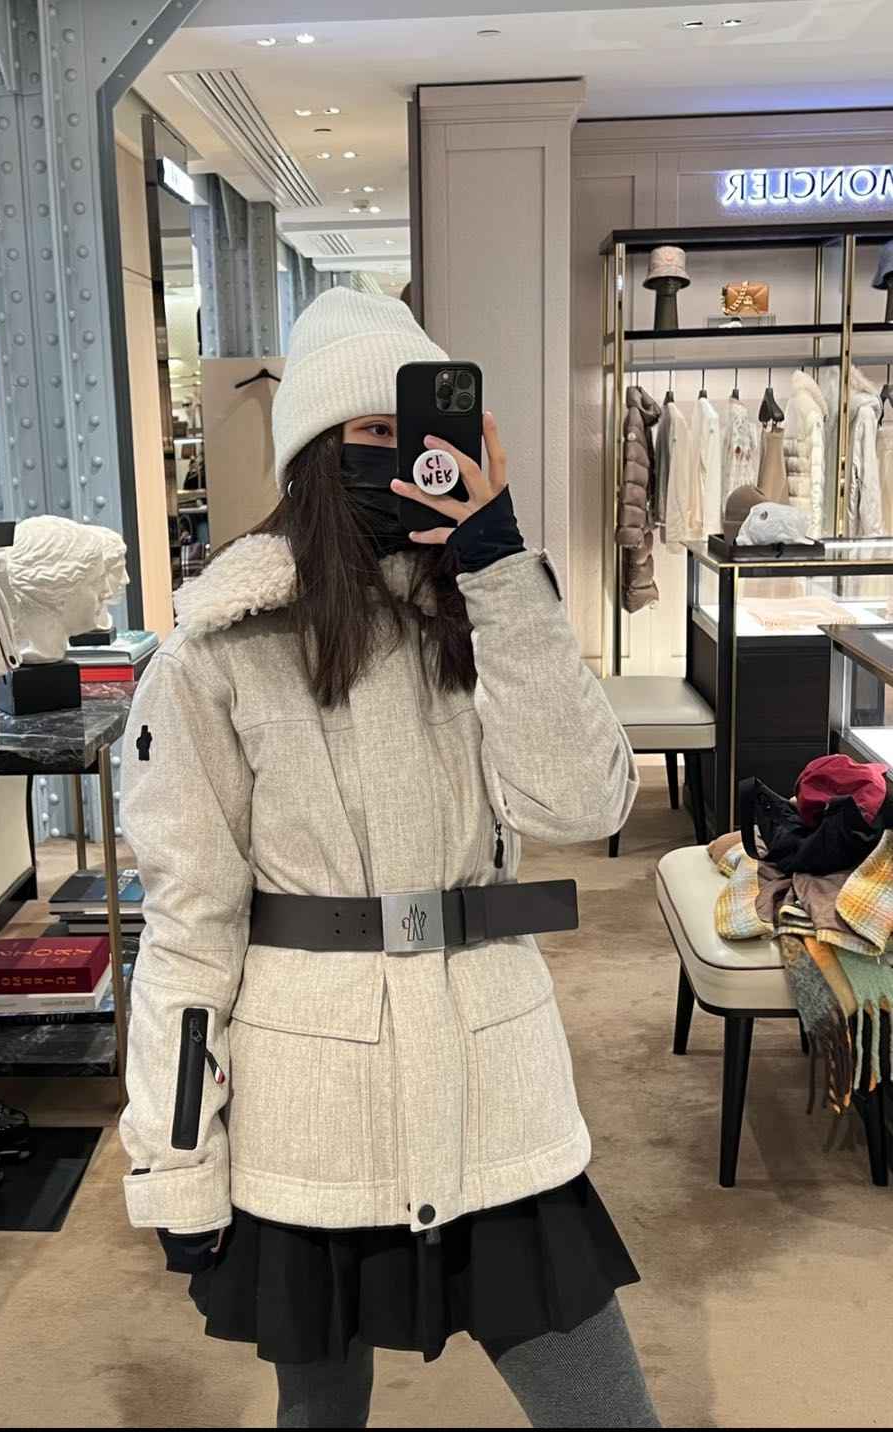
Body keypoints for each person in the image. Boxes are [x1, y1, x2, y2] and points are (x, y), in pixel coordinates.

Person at [119, 288, 658, 1429]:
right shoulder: (216, 653)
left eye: (419, 428)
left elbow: (586, 802)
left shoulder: (490, 606)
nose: (405, 453)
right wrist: (176, 1156)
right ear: (318, 454)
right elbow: (189, 926)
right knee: (320, 1416)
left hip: (493, 1070)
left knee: (607, 1411)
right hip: (316, 1096)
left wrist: (498, 567)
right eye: (372, 430)